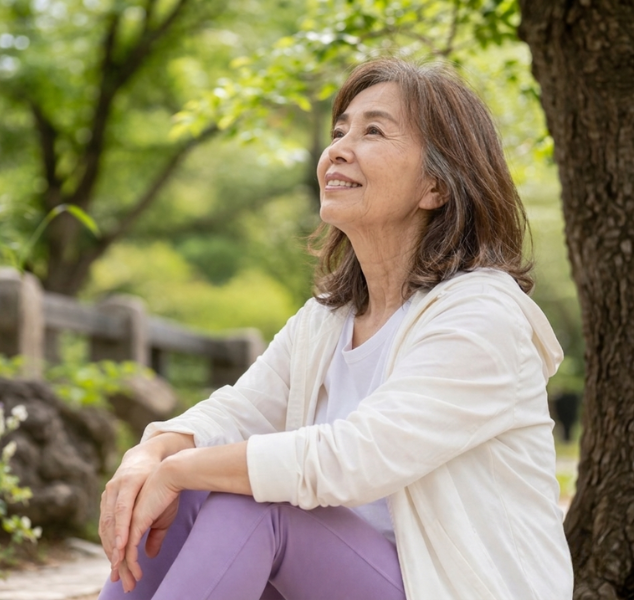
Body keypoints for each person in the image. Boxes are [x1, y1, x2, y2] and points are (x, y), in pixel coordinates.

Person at [97, 57, 573, 600]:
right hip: (353, 579)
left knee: (254, 499)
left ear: (435, 186)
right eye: (340, 129)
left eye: (373, 130)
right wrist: (151, 455)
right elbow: (238, 411)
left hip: (452, 588)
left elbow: (352, 460)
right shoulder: (328, 319)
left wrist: (180, 470)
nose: (339, 148)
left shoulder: (482, 316)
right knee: (186, 489)